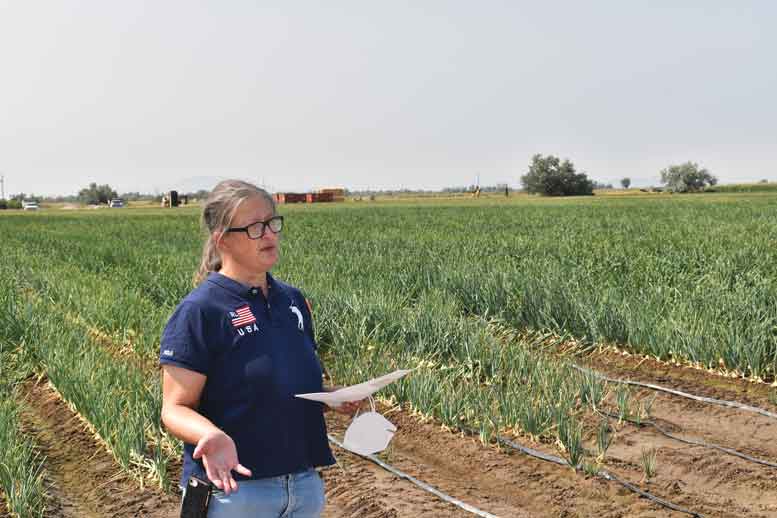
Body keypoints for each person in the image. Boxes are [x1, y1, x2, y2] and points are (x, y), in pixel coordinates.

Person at [159, 180, 360, 517]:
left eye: (271, 223)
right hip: (234, 494)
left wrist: (330, 397)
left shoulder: (292, 301)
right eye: (255, 227)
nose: (269, 234)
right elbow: (174, 408)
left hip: (303, 486)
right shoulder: (201, 311)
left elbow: (278, 389)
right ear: (222, 239)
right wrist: (210, 434)